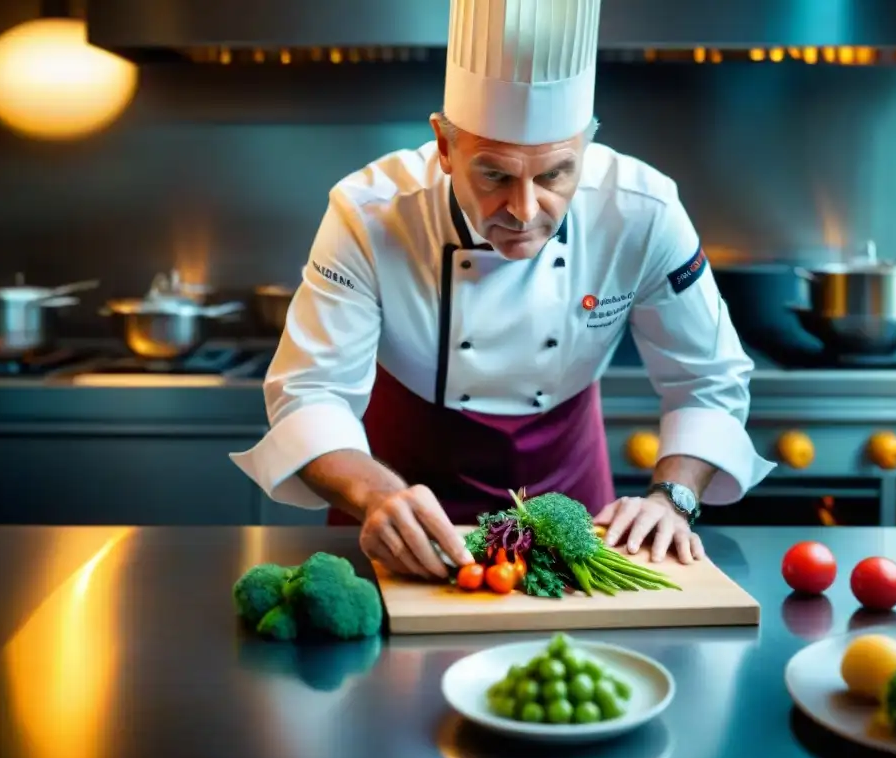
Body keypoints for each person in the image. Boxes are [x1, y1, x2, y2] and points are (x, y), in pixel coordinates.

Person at [230, 0, 775, 581]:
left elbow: (708, 380)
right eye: (495, 175)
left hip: (571, 496)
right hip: (398, 492)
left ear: (586, 147)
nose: (524, 210)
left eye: (554, 175)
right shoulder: (369, 215)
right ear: (444, 145)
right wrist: (375, 497)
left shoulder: (644, 210)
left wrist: (672, 499)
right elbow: (311, 392)